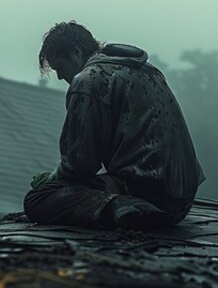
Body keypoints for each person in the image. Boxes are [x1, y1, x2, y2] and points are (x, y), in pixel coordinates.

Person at [24, 21, 206, 229]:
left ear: (75, 52)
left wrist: (51, 179)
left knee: (38, 198)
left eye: (60, 66)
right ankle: (127, 207)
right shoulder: (148, 70)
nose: (59, 76)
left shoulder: (88, 80)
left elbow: (80, 163)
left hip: (145, 194)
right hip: (182, 201)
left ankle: (122, 206)